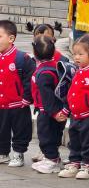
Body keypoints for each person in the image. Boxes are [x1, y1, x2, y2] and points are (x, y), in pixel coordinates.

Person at [59, 34, 89, 179]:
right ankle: (74, 163)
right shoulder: (78, 71)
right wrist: (66, 109)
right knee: (75, 140)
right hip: (76, 115)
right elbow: (72, 93)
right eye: (75, 54)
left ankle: (88, 166)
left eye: (80, 54)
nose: (76, 57)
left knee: (88, 141)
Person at [0, 20, 35, 168]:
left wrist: (27, 98)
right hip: (2, 104)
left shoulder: (22, 58)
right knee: (1, 130)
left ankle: (19, 153)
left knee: (21, 130)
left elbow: (30, 79)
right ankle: (3, 153)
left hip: (18, 104)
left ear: (11, 38)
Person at [30, 35, 67, 174]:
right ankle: (51, 157)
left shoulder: (44, 73)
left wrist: (53, 113)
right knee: (53, 135)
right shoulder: (55, 66)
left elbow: (47, 97)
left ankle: (52, 160)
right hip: (55, 109)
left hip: (48, 111)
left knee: (46, 136)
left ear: (35, 52)